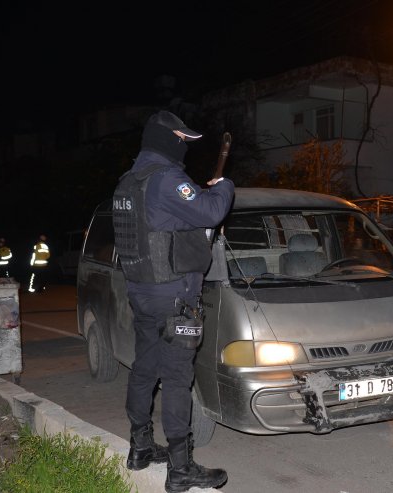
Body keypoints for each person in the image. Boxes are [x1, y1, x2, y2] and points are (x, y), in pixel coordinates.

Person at [112, 110, 233, 492]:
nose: (184, 147)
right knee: (179, 379)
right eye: (181, 139)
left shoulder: (128, 182)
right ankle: (181, 469)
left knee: (144, 369)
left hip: (142, 294)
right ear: (165, 138)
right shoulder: (166, 179)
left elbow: (168, 225)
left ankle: (140, 446)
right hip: (175, 297)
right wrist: (224, 186)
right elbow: (211, 209)